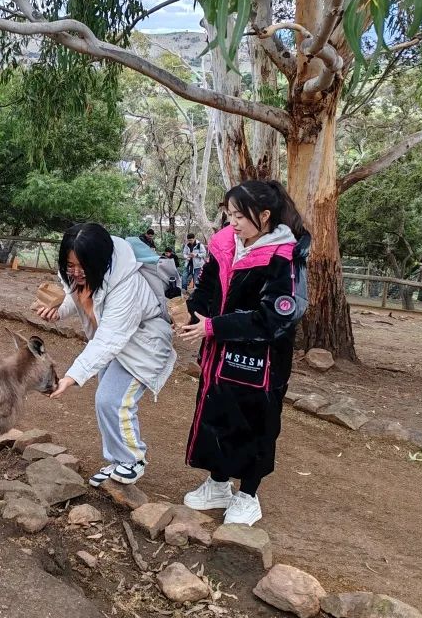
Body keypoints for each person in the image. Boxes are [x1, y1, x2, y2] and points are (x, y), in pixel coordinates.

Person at [179, 180, 310, 526]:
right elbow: (208, 286)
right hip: (218, 355)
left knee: (256, 424)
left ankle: (248, 496)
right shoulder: (225, 244)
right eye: (229, 214)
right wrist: (191, 313)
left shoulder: (286, 256)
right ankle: (218, 484)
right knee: (216, 413)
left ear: (264, 216)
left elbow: (274, 318)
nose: (232, 222)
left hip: (261, 364)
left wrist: (214, 327)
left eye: (239, 215)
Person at [33, 223, 176, 487]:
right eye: (70, 265)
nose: (76, 272)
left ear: (99, 260)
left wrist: (71, 377)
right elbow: (76, 296)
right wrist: (58, 311)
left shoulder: (126, 284)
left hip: (143, 344)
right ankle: (118, 460)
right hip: (113, 341)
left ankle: (133, 459)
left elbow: (110, 338)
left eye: (82, 266)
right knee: (106, 402)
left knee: (112, 400)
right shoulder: (78, 274)